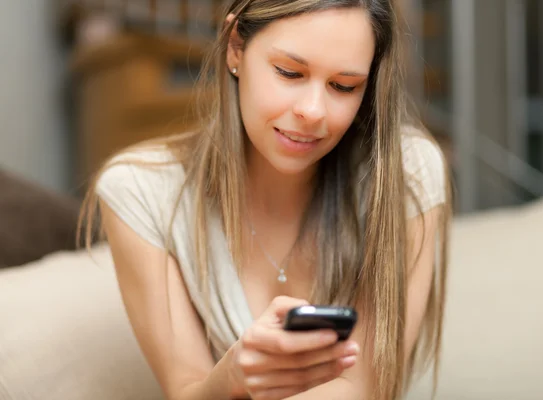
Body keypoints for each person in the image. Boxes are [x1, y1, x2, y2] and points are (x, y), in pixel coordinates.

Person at [79, 0, 453, 399]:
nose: (312, 111)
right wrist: (231, 378)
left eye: (344, 86)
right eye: (289, 72)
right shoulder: (141, 192)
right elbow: (186, 390)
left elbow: (366, 390)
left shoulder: (405, 174)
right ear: (236, 47)